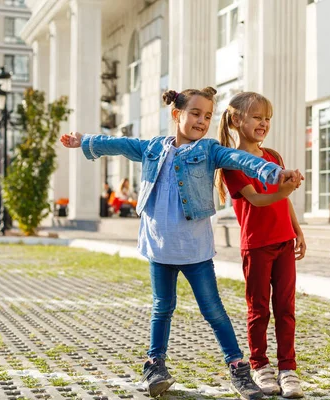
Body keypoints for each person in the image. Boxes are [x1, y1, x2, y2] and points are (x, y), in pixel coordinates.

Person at [60, 86, 302, 399]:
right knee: (162, 308)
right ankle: (155, 366)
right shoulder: (152, 147)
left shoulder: (211, 150)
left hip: (195, 250)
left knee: (214, 311)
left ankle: (239, 370)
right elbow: (120, 143)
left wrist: (276, 172)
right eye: (196, 114)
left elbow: (243, 160)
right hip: (159, 248)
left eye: (208, 116)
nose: (202, 121)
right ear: (177, 115)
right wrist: (86, 140)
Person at [216, 92, 306, 398]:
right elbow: (258, 199)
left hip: (284, 242)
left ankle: (288, 369)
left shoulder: (275, 157)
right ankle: (260, 365)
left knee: (286, 308)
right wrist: (286, 190)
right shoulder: (231, 163)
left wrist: (297, 230)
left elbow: (284, 203)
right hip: (256, 246)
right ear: (237, 120)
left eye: (267, 118)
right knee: (258, 310)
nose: (264, 123)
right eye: (257, 117)